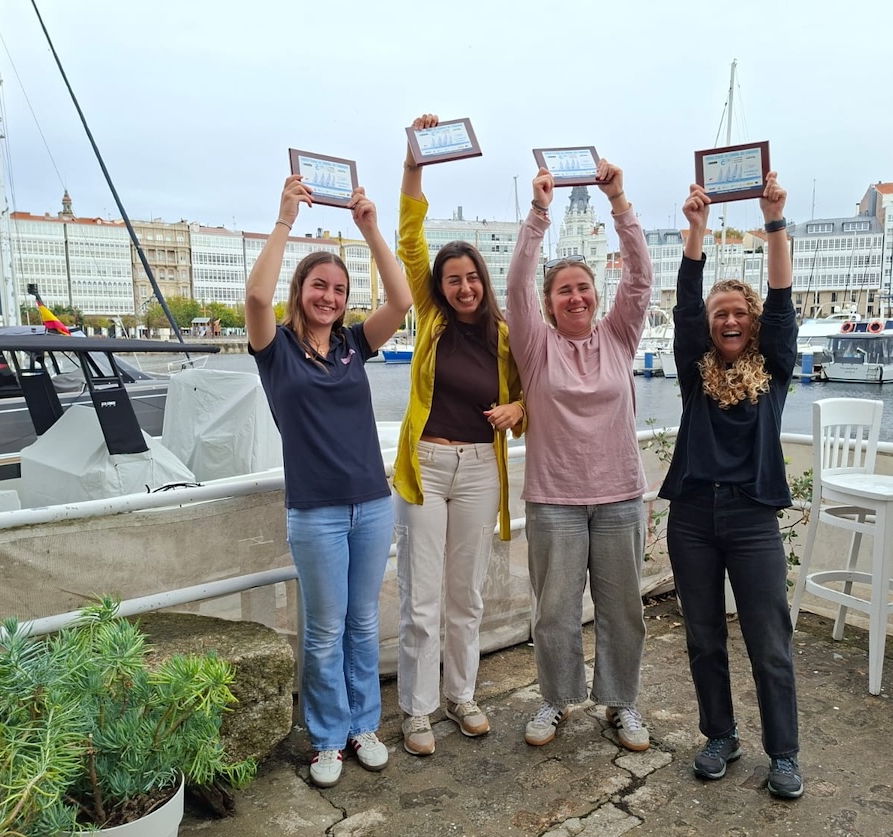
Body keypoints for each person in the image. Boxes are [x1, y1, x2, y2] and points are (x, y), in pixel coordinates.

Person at [245, 175, 413, 789]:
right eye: (319, 285)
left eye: (339, 289)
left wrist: (370, 228)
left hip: (372, 503)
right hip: (315, 511)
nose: (330, 296)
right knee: (322, 632)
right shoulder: (276, 349)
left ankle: (364, 725)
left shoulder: (352, 345)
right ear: (301, 289)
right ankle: (326, 738)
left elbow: (401, 301)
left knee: (363, 623)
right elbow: (255, 297)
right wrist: (285, 219)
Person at [658, 172, 804, 799]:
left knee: (769, 642)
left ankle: (784, 754)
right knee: (703, 637)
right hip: (692, 517)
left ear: (753, 322)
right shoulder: (695, 372)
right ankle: (720, 735)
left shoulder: (774, 368)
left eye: (739, 312)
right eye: (720, 314)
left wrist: (773, 221)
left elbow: (782, 297)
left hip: (752, 519)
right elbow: (686, 304)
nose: (729, 320)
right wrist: (696, 230)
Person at [506, 160, 654, 752]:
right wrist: (539, 213)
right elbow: (516, 284)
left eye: (583, 287)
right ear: (547, 303)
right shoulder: (535, 346)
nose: (575, 296)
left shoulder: (619, 336)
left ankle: (621, 702)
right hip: (555, 500)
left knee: (622, 610)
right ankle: (557, 698)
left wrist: (619, 202)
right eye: (563, 289)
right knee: (555, 612)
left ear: (596, 296)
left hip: (619, 495)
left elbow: (639, 279)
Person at [393, 114, 526, 756]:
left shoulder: (504, 336)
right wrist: (413, 159)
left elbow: (534, 396)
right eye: (453, 279)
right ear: (441, 287)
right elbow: (410, 239)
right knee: (421, 597)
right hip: (426, 465)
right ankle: (418, 710)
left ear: (483, 281)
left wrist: (517, 408)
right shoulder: (430, 319)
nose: (464, 287)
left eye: (472, 277)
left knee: (466, 595)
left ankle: (462, 695)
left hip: (479, 469)